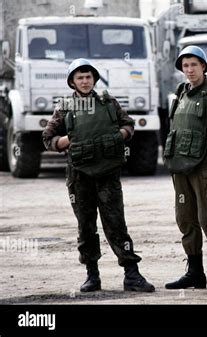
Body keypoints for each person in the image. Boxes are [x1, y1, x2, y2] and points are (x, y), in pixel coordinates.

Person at [42, 58, 155, 293]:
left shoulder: (108, 102)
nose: (85, 81)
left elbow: (129, 125)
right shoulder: (65, 107)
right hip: (79, 175)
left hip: (108, 174)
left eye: (88, 77)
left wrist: (119, 136)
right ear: (72, 82)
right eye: (80, 77)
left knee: (116, 224)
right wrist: (68, 141)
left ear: (94, 79)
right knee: (86, 227)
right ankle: (92, 275)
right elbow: (48, 139)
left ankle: (132, 275)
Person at [163, 46, 207, 292]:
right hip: (181, 169)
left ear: (204, 66)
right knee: (186, 220)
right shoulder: (181, 93)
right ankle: (195, 273)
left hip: (204, 170)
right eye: (185, 66)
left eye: (194, 64)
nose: (190, 70)